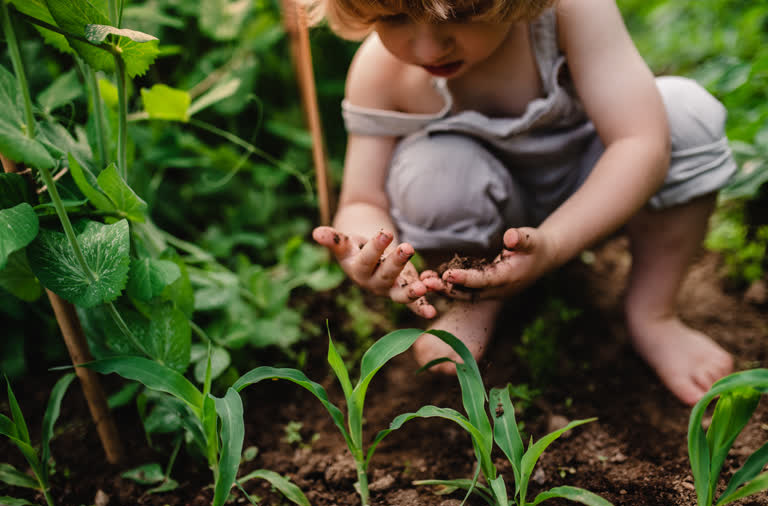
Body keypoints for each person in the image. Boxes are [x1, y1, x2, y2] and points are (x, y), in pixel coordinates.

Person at [307, 0, 736, 406]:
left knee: (683, 115)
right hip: (481, 217)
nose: (428, 46)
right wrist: (368, 247)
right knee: (433, 173)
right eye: (394, 17)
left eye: (461, 14)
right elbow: (362, 199)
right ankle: (477, 295)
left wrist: (552, 243)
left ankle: (653, 314)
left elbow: (638, 143)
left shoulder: (569, 13)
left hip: (595, 196)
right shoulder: (383, 73)